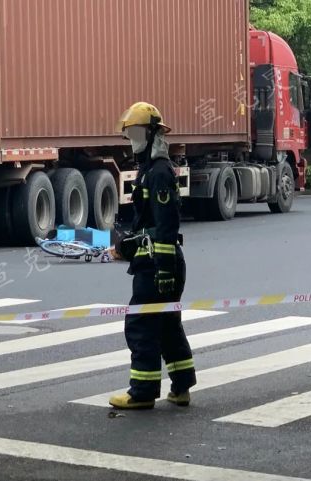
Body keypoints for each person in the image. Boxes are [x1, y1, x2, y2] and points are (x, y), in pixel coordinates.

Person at [109, 102, 196, 409]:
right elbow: (147, 228)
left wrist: (163, 270)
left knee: (141, 326)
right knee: (168, 325)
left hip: (158, 265)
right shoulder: (150, 170)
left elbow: (166, 225)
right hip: (158, 261)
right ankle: (181, 386)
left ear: (152, 134)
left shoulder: (158, 173)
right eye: (128, 134)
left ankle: (143, 393)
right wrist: (125, 248)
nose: (131, 140)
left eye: (135, 133)